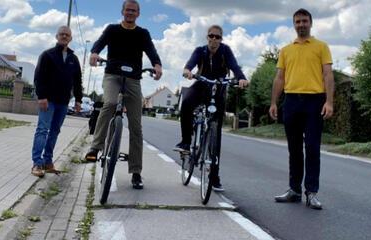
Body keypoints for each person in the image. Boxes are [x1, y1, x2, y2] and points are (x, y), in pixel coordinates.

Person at [84, 0, 162, 189]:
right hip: (112, 75)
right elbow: (99, 43)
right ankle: (96, 147)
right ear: (122, 11)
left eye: (133, 11)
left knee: (136, 126)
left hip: (133, 79)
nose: (130, 13)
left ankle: (136, 172)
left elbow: (151, 50)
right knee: (109, 103)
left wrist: (157, 65)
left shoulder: (142, 33)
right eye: (127, 10)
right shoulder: (112, 29)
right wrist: (94, 53)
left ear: (138, 14)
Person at [269, 8, 334, 210]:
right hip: (291, 101)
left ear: (311, 23)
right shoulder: (286, 50)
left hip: (315, 101)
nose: (301, 24)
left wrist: (329, 101)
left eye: (304, 21)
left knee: (312, 148)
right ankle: (294, 190)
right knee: (294, 149)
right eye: (297, 21)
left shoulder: (321, 47)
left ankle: (311, 192)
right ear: (294, 24)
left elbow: (328, 75)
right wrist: (273, 102)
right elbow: (280, 78)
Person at [174, 25, 248, 192]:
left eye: (217, 37)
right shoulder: (200, 51)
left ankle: (214, 176)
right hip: (201, 84)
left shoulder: (225, 51)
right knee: (186, 103)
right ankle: (186, 142)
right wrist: (187, 71)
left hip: (219, 88)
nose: (214, 39)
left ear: (221, 39)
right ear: (207, 37)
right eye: (211, 36)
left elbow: (235, 67)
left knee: (216, 134)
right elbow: (190, 64)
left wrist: (241, 78)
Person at [31, 26, 83, 177]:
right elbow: (39, 77)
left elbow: (77, 81)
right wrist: (41, 97)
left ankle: (48, 162)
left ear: (70, 38)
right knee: (42, 130)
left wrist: (78, 100)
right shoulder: (47, 55)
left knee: (54, 131)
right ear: (57, 36)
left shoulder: (74, 59)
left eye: (67, 35)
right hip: (48, 101)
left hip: (63, 102)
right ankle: (36, 163)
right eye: (62, 34)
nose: (64, 36)